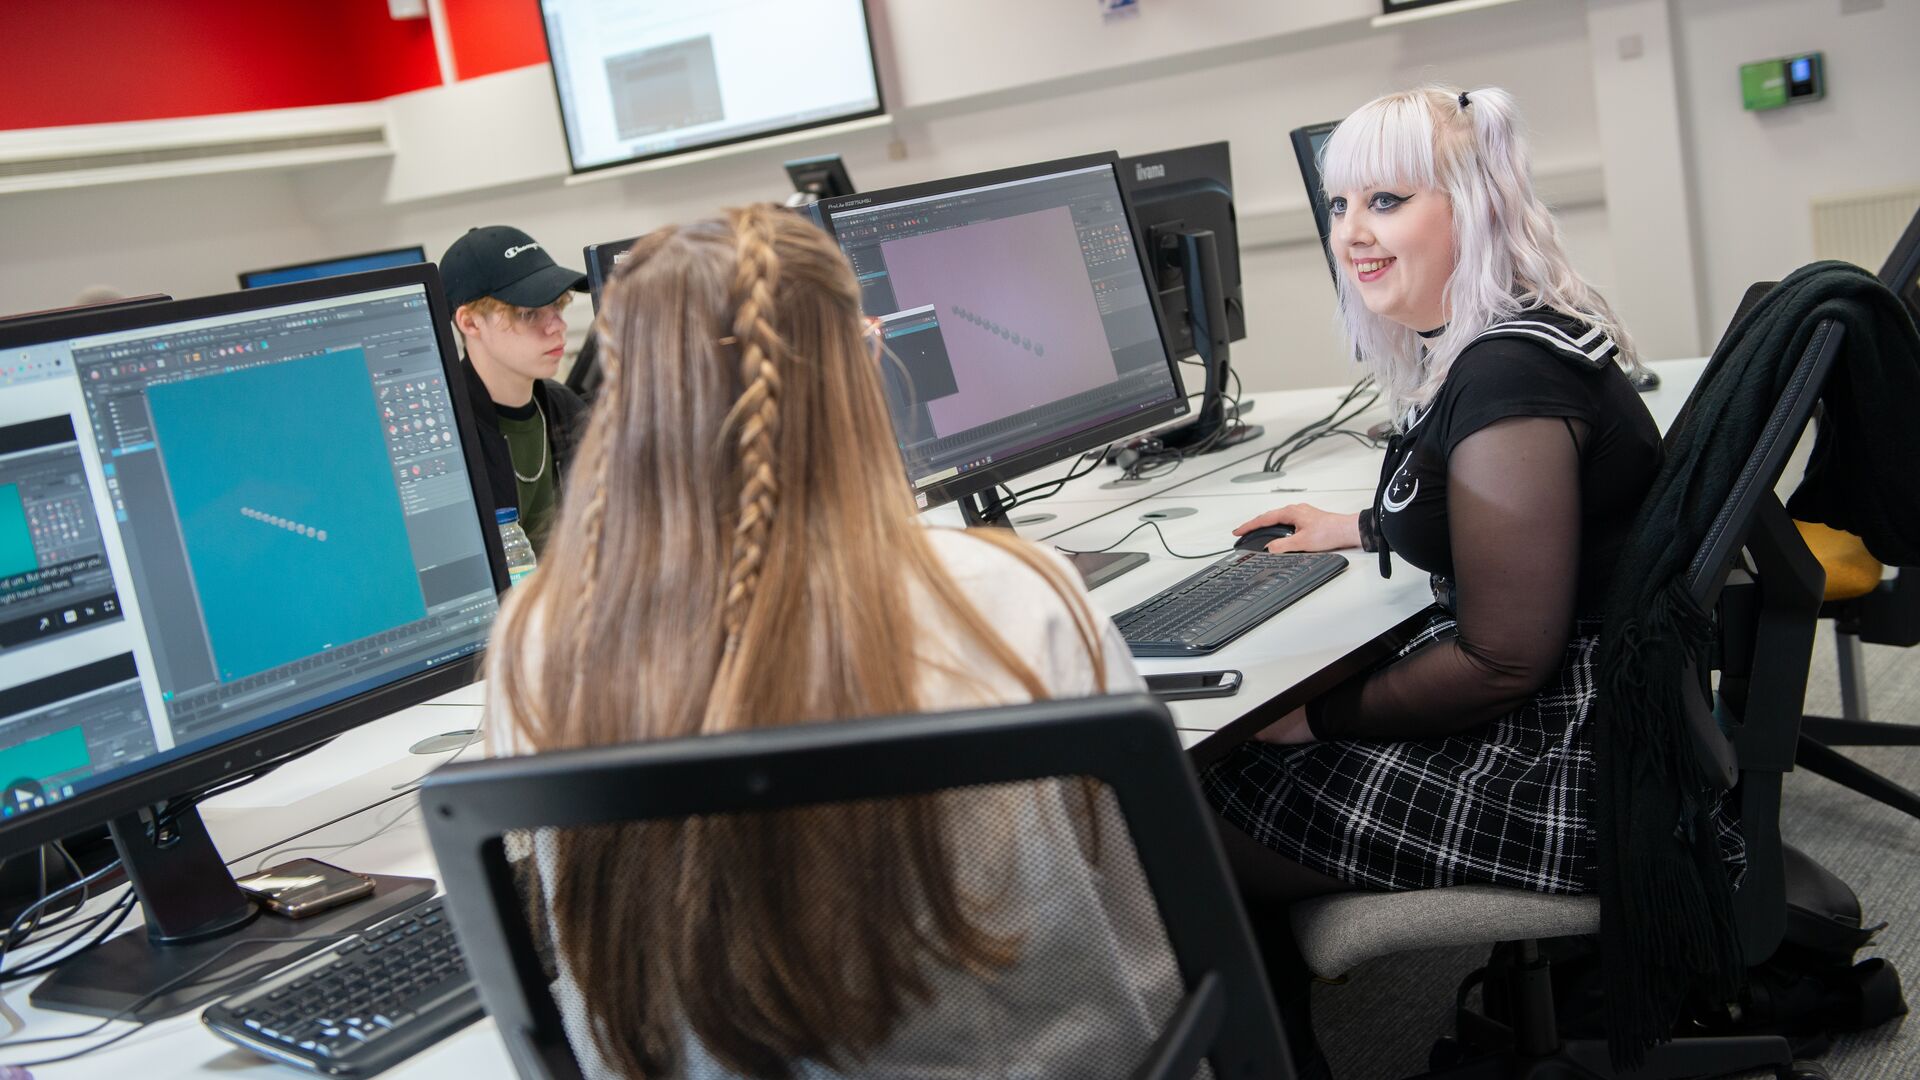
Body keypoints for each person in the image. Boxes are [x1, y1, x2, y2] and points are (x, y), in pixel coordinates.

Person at [484, 205, 1180, 1079]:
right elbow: (1145, 911)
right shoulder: (1010, 592)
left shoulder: (537, 640)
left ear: (626, 400)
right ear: (861, 366)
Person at [1200, 86, 1735, 1067]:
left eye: (1388, 202)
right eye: (1339, 206)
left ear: (1473, 205)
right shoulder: (1509, 340)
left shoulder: (1505, 383)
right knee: (1234, 763)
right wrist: (1359, 526)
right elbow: (1505, 519)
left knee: (1190, 807)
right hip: (1608, 715)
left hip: (1566, 768)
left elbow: (1499, 662)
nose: (1352, 234)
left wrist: (1317, 717)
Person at [440, 226, 590, 555]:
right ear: (470, 323)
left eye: (557, 307)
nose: (558, 326)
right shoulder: (448, 439)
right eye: (528, 313)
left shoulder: (564, 407)